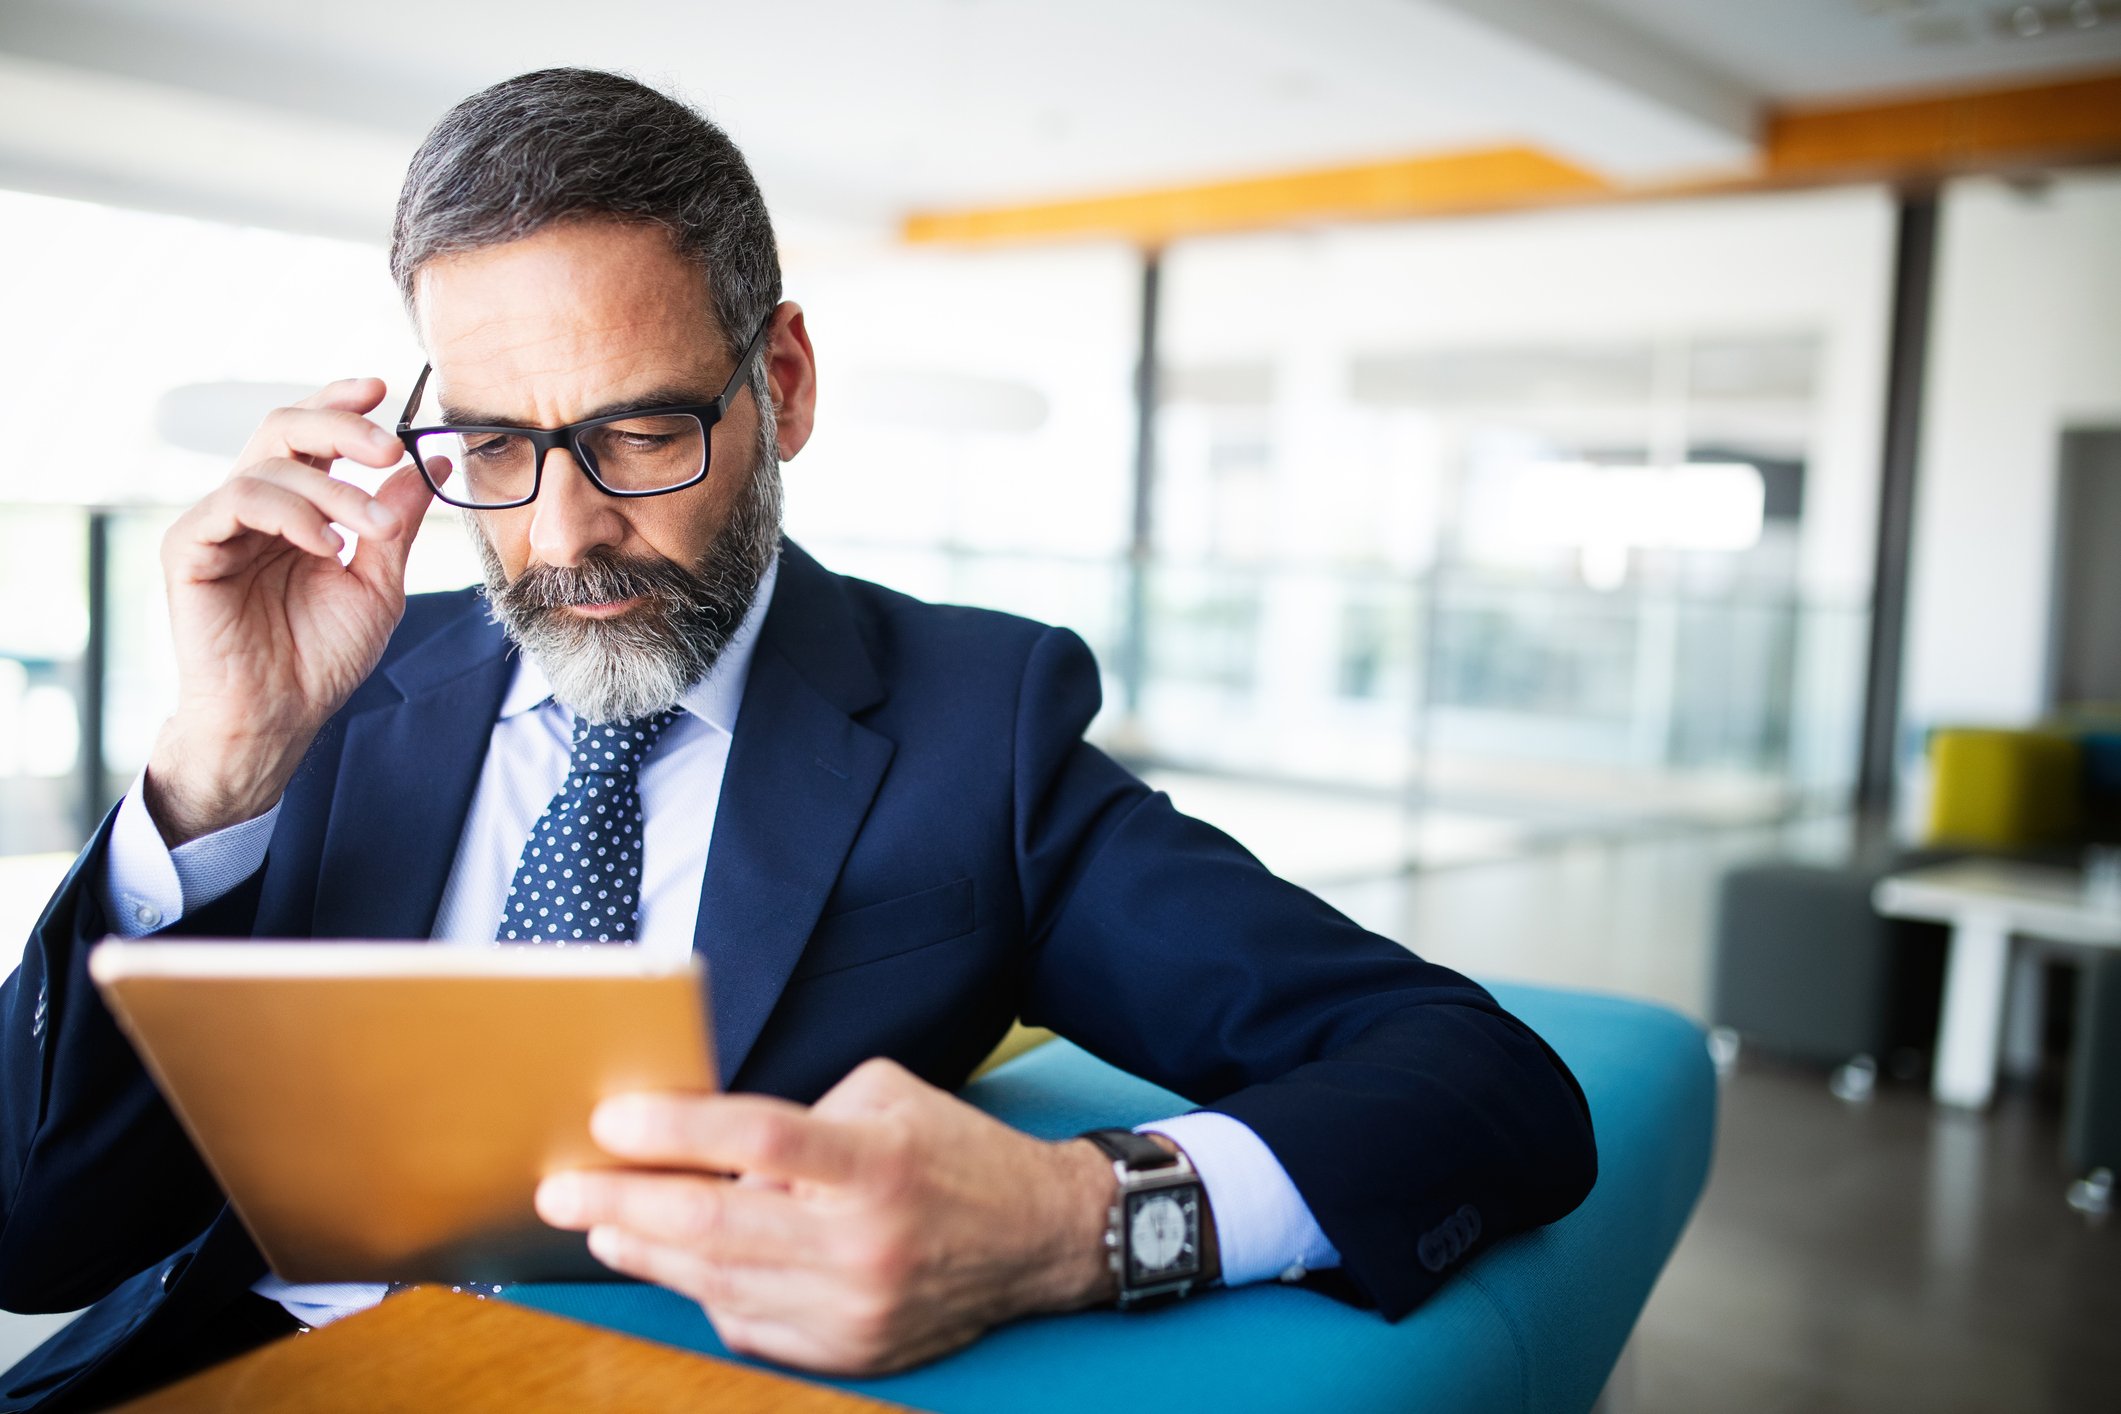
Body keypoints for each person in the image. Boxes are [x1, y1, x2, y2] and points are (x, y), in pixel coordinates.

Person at [0, 68, 1596, 1409]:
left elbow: (1481, 1080)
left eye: (640, 429)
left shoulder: (980, 729)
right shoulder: (326, 690)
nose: (563, 533)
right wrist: (222, 762)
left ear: (781, 381)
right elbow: (36, 1233)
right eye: (492, 443)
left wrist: (1067, 1218)